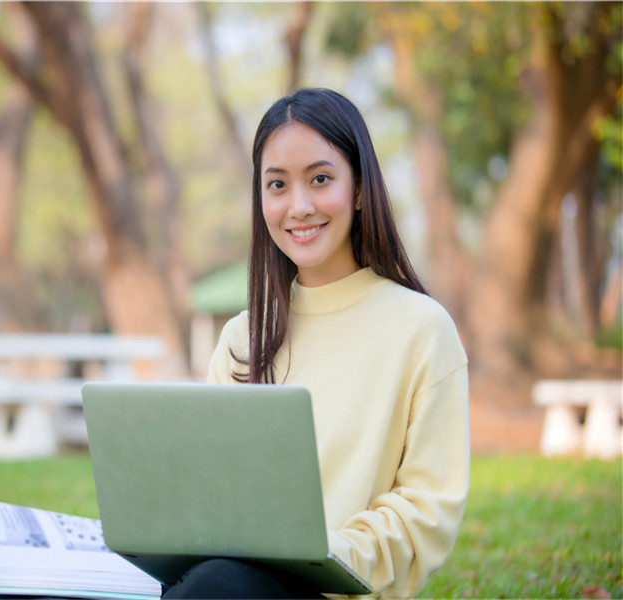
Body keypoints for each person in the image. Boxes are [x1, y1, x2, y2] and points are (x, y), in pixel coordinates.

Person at [163, 88, 469, 599]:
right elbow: (212, 496)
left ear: (358, 188)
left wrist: (324, 554)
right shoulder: (242, 338)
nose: (299, 207)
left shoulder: (421, 329)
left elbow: (425, 514)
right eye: (277, 185)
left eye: (320, 179)